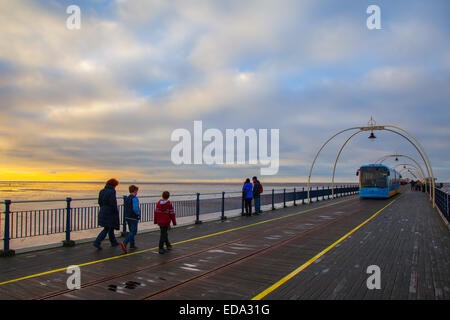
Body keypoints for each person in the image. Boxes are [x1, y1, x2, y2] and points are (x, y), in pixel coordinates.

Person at [94, 178, 120, 249]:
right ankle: (97, 241)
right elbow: (113, 203)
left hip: (103, 210)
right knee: (107, 228)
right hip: (110, 212)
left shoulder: (102, 191)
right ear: (114, 185)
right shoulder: (112, 192)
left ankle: (113, 242)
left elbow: (99, 201)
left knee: (110, 227)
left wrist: (103, 208)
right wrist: (115, 211)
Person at [120, 185, 141, 254]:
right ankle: (125, 242)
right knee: (134, 231)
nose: (137, 192)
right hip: (133, 217)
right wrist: (138, 214)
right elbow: (135, 208)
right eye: (137, 191)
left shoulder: (128, 198)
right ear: (135, 191)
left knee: (131, 230)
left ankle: (132, 245)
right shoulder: (134, 198)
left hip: (127, 216)